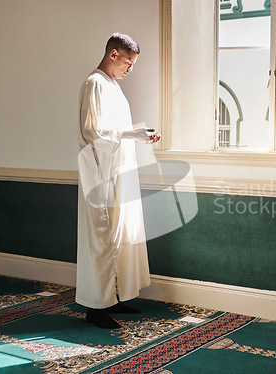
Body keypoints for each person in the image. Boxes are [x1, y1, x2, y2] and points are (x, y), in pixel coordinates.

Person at [76, 32, 160, 329]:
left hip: (120, 170)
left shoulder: (113, 87)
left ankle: (115, 296)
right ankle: (95, 306)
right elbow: (92, 133)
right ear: (113, 54)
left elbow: (118, 131)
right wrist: (133, 134)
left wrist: (139, 136)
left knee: (122, 235)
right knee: (102, 238)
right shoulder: (94, 84)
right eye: (129, 62)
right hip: (100, 175)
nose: (130, 69)